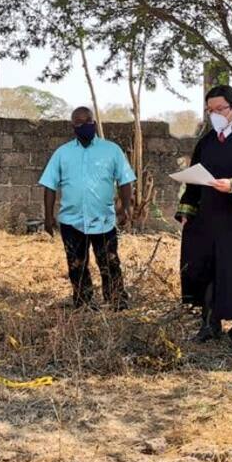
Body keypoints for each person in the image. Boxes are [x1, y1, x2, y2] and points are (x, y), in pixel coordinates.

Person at [175, 84, 232, 354]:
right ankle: (209, 324)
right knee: (207, 271)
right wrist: (186, 212)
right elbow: (193, 181)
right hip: (207, 219)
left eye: (219, 109)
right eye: (210, 110)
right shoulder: (205, 143)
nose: (215, 114)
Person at [38, 107, 136, 310]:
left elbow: (125, 181)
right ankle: (83, 303)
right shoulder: (62, 153)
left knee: (109, 263)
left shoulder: (111, 150)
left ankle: (117, 301)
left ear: (94, 122)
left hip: (103, 221)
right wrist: (48, 217)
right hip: (72, 221)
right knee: (77, 266)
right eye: (80, 122)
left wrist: (125, 208)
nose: (86, 126)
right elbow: (49, 185)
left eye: (89, 121)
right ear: (73, 126)